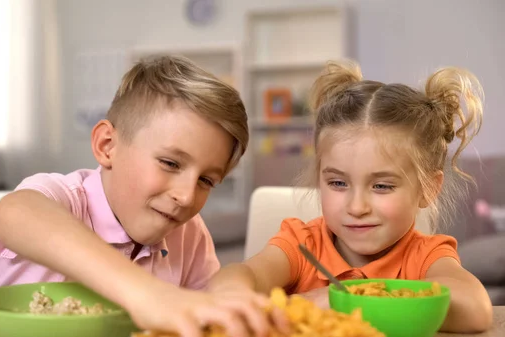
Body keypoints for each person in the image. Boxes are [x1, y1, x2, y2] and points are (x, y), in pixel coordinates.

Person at [0, 55, 267, 337]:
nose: (186, 196)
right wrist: (147, 295)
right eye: (170, 163)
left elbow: (204, 320)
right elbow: (17, 212)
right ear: (107, 146)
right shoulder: (66, 199)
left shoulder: (189, 235)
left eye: (206, 180)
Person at [207, 59, 493, 334]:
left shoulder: (426, 256)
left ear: (428, 188)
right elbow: (244, 276)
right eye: (338, 183)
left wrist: (344, 302)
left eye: (381, 186)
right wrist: (233, 292)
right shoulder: (301, 243)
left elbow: (476, 309)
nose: (357, 207)